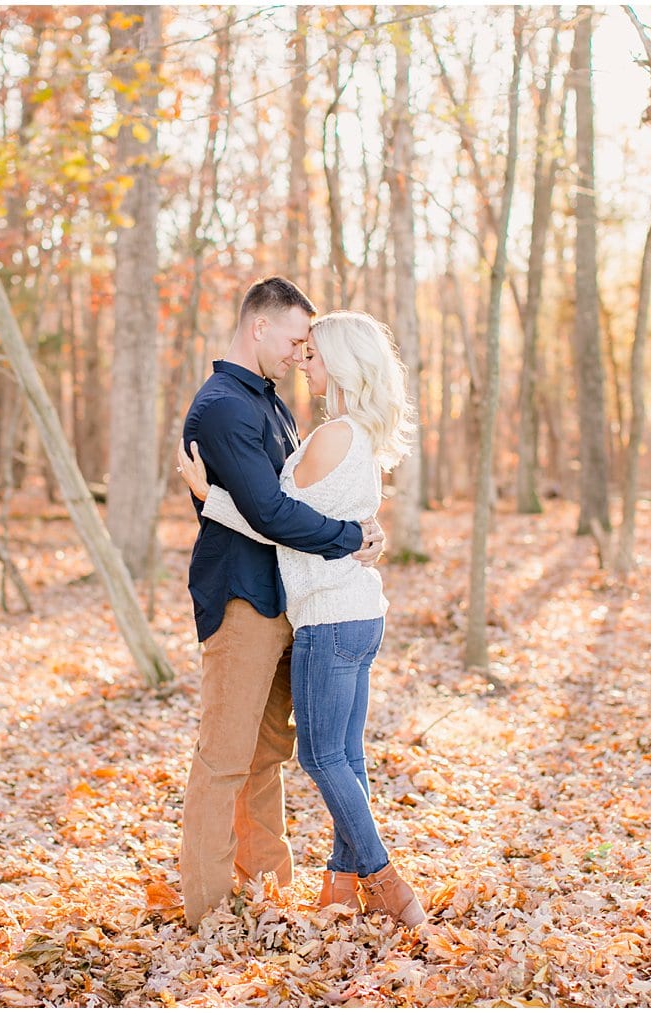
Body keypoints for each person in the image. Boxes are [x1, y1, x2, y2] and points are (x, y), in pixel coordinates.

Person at [178, 309, 426, 929]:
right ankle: (341, 885)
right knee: (342, 753)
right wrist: (355, 533)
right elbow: (294, 515)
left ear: (339, 363)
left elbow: (279, 520)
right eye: (298, 346)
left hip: (329, 617)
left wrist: (212, 499)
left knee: (321, 757)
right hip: (350, 610)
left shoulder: (329, 433)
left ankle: (383, 880)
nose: (300, 360)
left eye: (311, 353)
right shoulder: (344, 430)